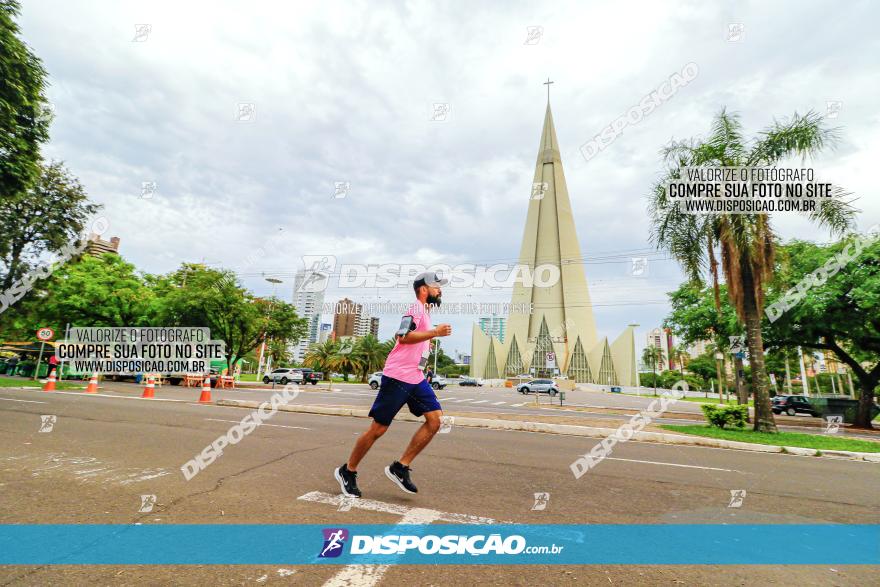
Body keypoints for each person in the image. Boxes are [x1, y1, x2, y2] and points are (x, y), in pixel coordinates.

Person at [335, 271, 451, 497]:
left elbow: (417, 343)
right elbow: (403, 336)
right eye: (436, 286)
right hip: (398, 376)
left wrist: (425, 355)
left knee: (435, 421)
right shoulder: (415, 309)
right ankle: (347, 470)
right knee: (379, 428)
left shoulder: (425, 313)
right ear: (423, 289)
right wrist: (435, 333)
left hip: (416, 378)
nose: (440, 290)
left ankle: (400, 467)